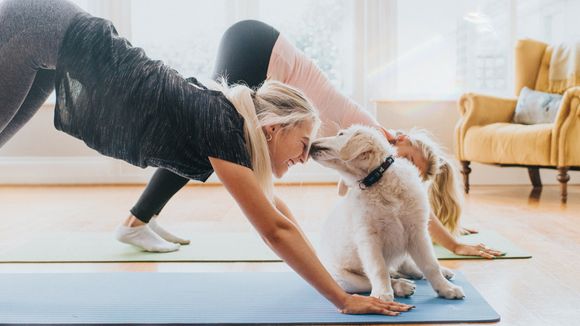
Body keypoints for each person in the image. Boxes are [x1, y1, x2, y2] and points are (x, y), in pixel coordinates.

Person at [0, 0, 414, 316]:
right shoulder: (226, 127)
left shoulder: (234, 126)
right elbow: (274, 230)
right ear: (274, 129)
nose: (306, 157)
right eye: (304, 144)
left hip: (53, 38)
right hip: (44, 28)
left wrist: (332, 277)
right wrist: (341, 299)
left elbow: (280, 217)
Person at [120, 20, 503, 259]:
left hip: (256, 41)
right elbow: (404, 198)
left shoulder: (365, 155)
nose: (399, 169)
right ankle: (136, 221)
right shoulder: (372, 135)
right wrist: (449, 242)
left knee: (207, 137)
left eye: (408, 170)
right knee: (210, 138)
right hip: (260, 47)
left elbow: (387, 197)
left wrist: (443, 228)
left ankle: (144, 217)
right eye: (407, 160)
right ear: (398, 140)